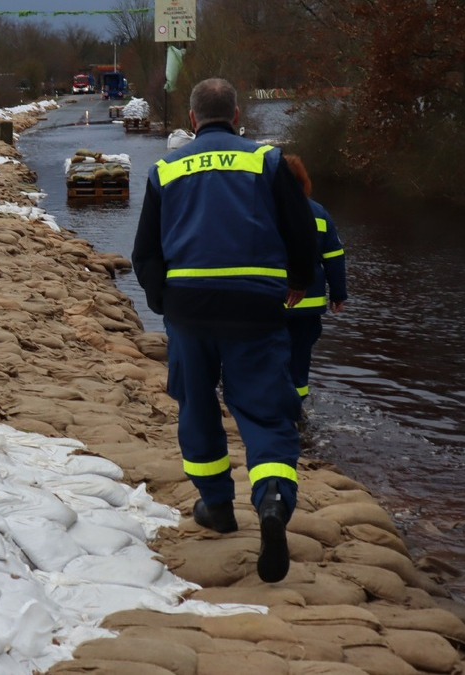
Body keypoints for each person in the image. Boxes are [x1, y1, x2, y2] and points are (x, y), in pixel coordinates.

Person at [131, 78, 318, 583]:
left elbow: (145, 253)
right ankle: (274, 501)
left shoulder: (164, 170)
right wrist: (298, 283)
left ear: (192, 120)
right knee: (265, 409)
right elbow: (303, 233)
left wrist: (162, 303)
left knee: (196, 405)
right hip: (256, 307)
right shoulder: (267, 161)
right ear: (238, 116)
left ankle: (216, 506)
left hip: (189, 311)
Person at [282, 155, 348, 410]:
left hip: (272, 301)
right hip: (308, 304)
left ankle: (269, 407)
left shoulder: (262, 209)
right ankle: (297, 408)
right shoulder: (319, 212)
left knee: (267, 353)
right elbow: (334, 257)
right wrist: (338, 294)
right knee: (300, 356)